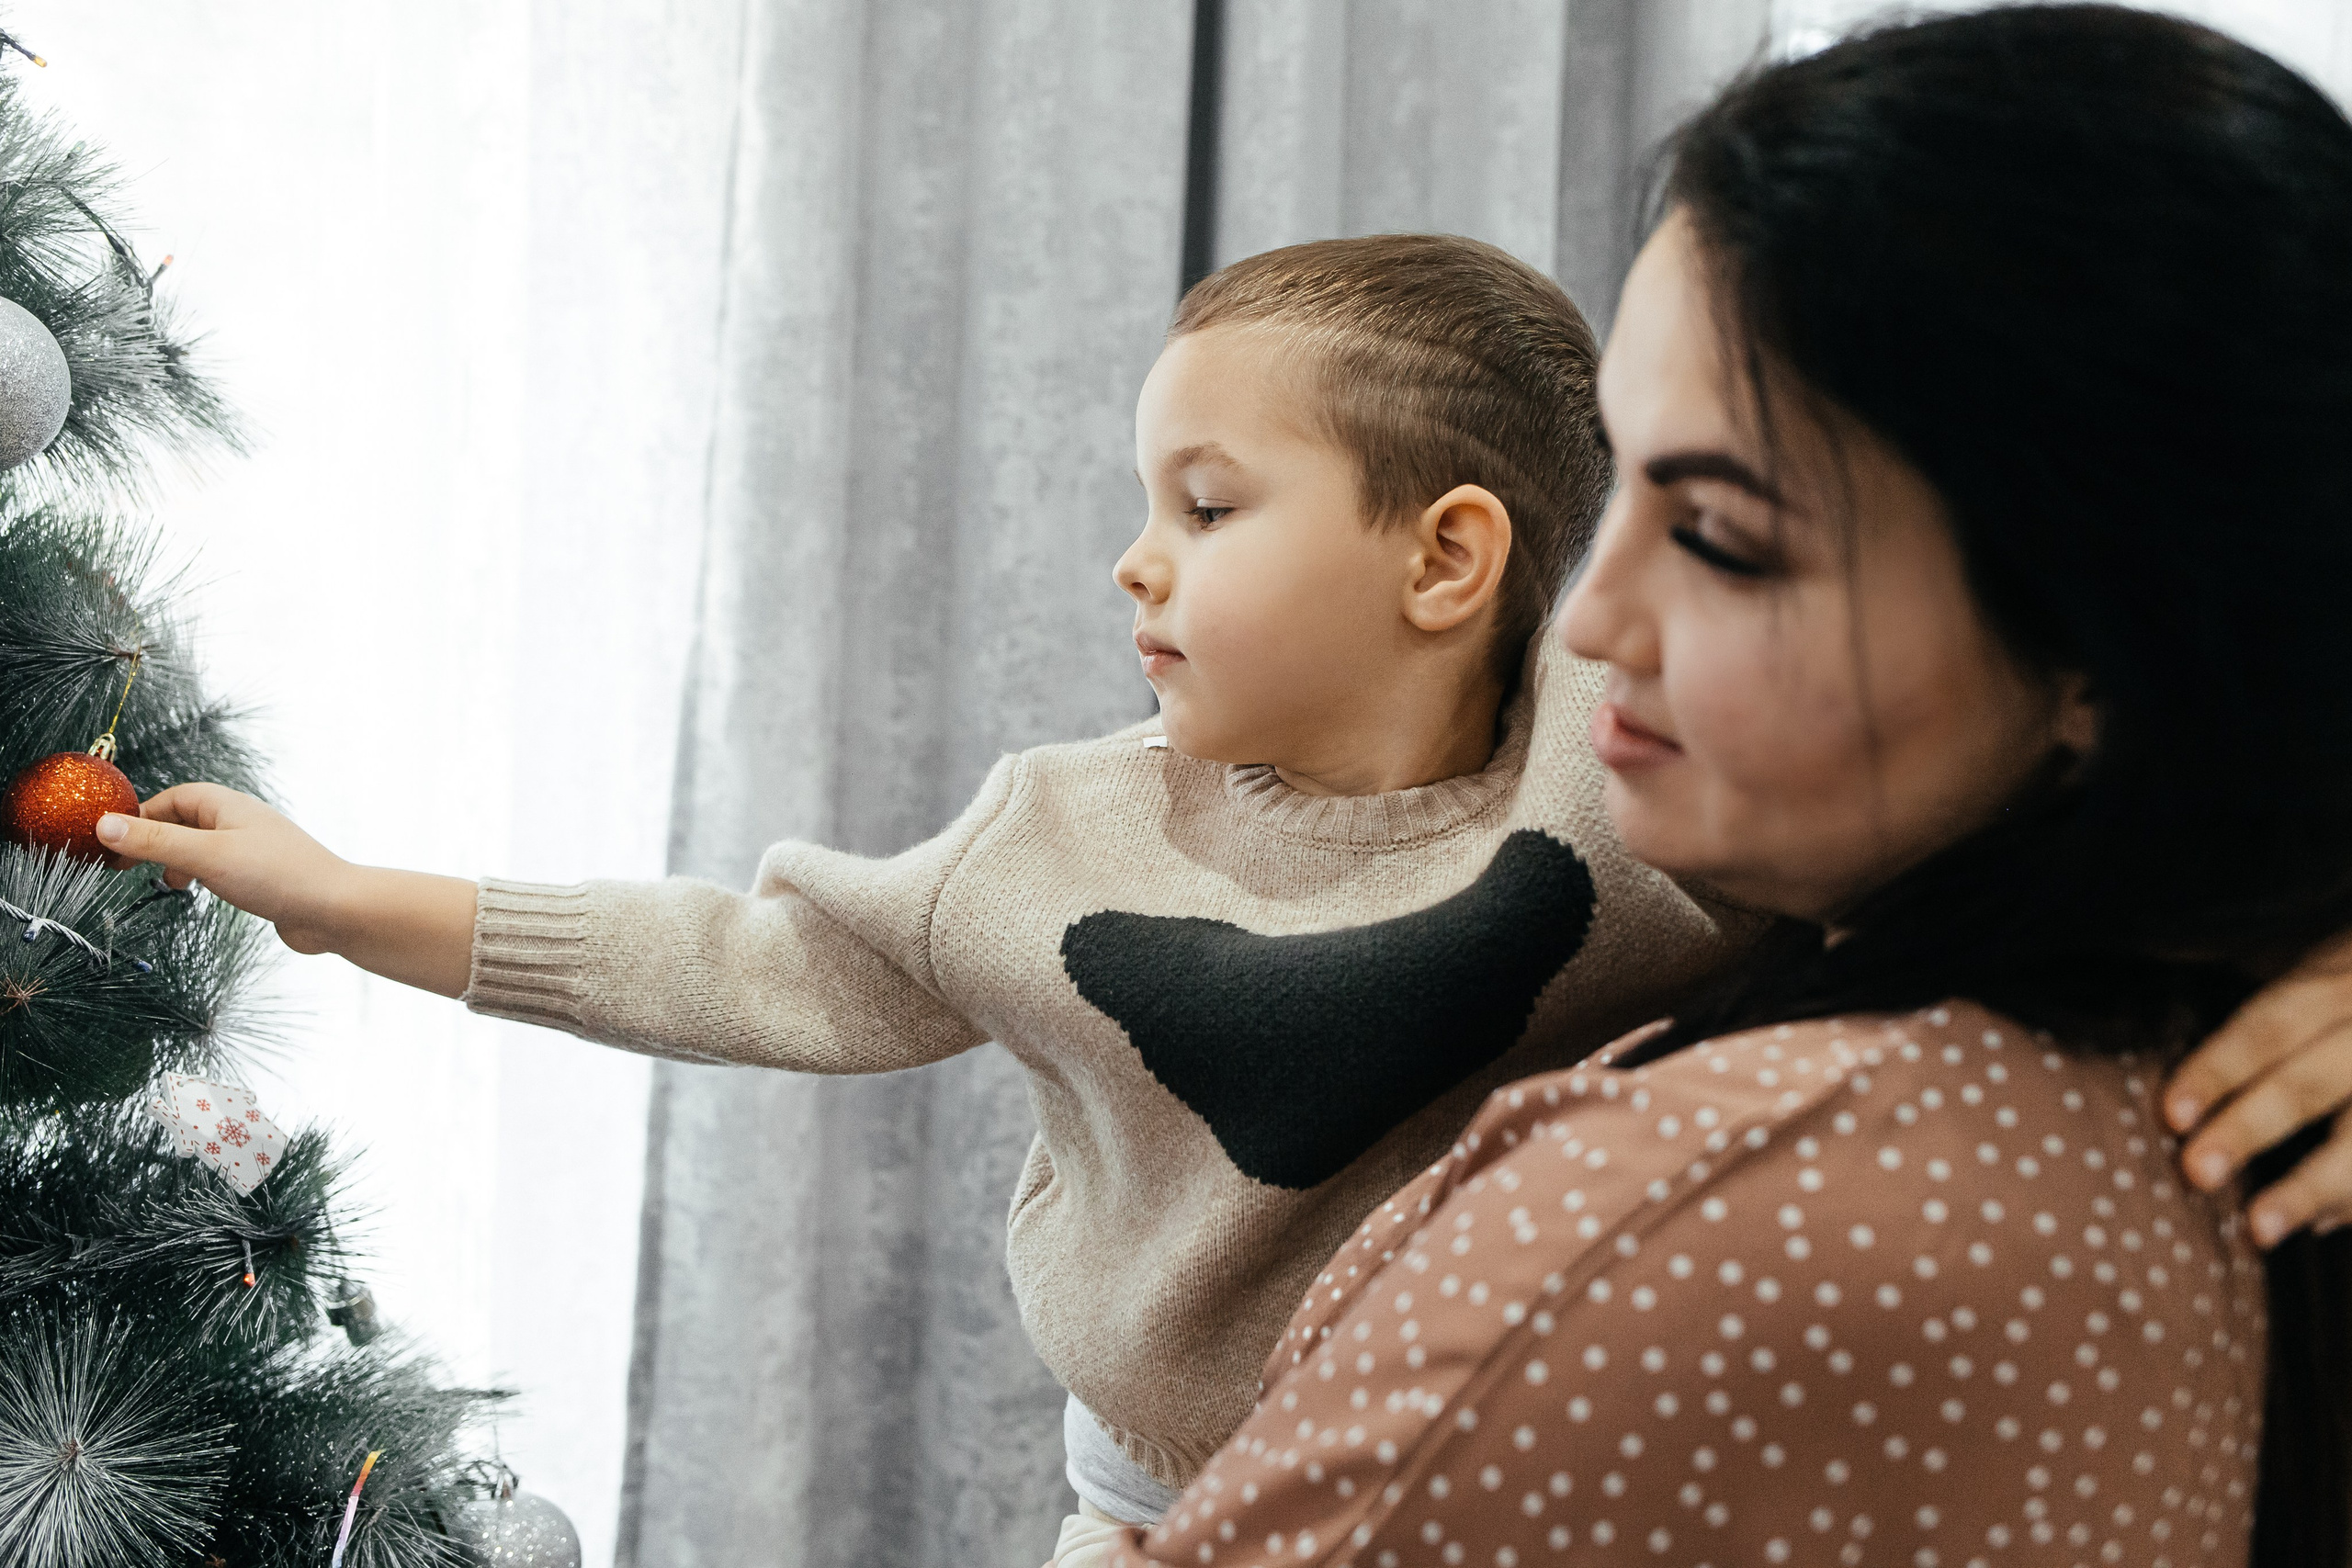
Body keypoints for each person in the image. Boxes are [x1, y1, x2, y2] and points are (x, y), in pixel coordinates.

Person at [1090, 6, 2352, 1565]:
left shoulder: (1730, 1213)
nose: (1599, 623)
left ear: (2112, 640)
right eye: (1629, 483)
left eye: (1726, 540)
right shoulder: (2210, 1102)